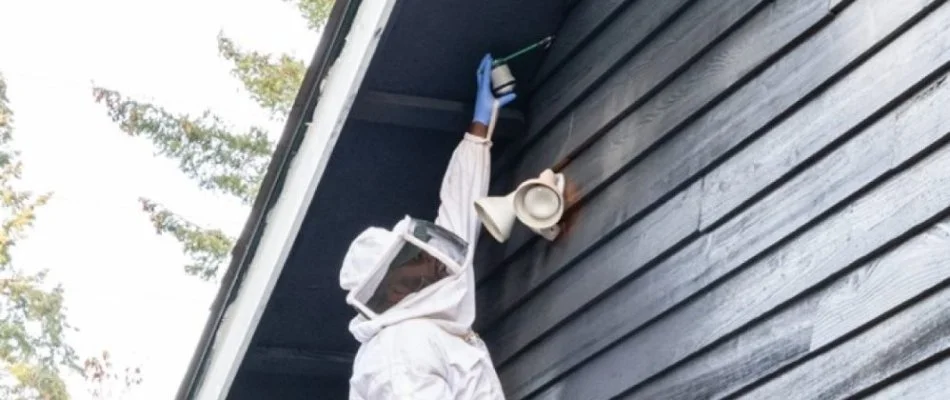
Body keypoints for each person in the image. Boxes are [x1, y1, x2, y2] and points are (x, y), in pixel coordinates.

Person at [338, 53, 516, 399]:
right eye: (413, 263)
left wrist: (480, 125)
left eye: (418, 256)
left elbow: (461, 211)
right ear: (392, 289)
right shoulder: (399, 349)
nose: (429, 264)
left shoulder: (432, 300)